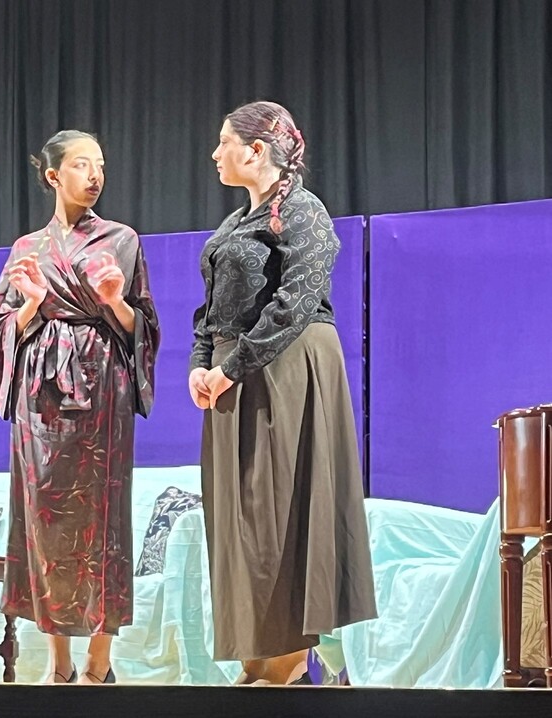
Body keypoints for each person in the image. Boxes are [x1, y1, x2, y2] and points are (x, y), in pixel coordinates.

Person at [188, 101, 377, 685]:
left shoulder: (303, 210)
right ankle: (255, 659)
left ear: (255, 149)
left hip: (284, 367)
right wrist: (200, 363)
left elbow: (297, 301)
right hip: (232, 377)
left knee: (277, 511)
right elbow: (210, 310)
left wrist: (231, 367)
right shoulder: (234, 223)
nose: (215, 154)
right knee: (239, 520)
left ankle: (287, 666)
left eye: (224, 142)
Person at [0, 130, 160, 685]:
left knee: (104, 517)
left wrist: (115, 303)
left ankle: (99, 663)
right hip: (40, 396)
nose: (95, 175)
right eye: (82, 165)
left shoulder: (121, 240)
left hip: (102, 386)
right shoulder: (26, 249)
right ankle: (58, 664)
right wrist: (32, 305)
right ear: (54, 175)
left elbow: (144, 327)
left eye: (100, 165)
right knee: (44, 518)